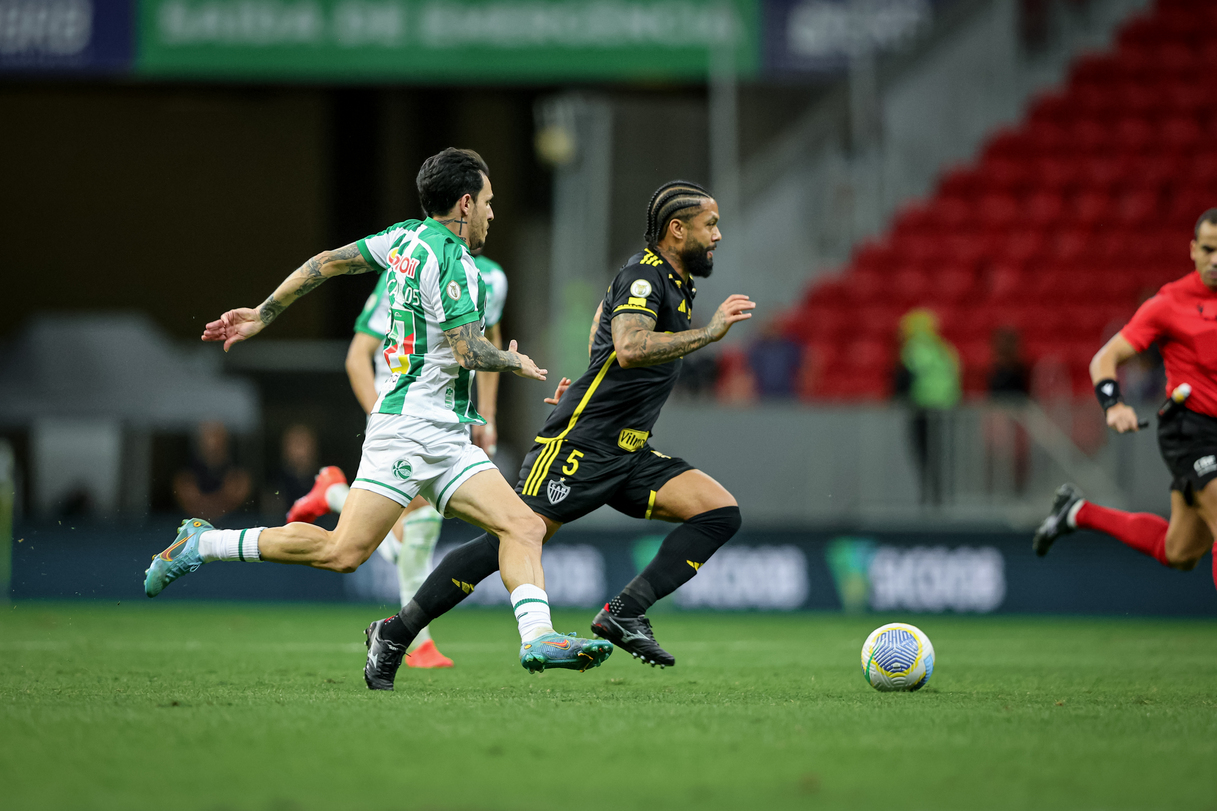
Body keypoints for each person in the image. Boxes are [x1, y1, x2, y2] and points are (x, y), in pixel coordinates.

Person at [143, 148, 612, 685]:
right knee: (344, 552)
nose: (490, 213)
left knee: (523, 524)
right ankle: (202, 542)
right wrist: (514, 361)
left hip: (446, 435)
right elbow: (468, 351)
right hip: (409, 432)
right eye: (486, 202)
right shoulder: (453, 260)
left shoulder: (402, 238)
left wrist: (264, 312)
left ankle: (538, 638)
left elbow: (325, 263)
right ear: (464, 203)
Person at [363, 180, 754, 690]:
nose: (718, 235)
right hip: (581, 444)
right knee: (507, 538)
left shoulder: (680, 282)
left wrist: (593, 375)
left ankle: (625, 611)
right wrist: (709, 333)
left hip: (629, 450)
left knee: (719, 511)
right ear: (677, 231)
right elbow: (631, 346)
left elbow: (604, 327)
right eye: (710, 226)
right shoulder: (644, 276)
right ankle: (395, 633)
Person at [284, 250, 509, 669]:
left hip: (444, 422)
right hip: (401, 421)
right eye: (484, 202)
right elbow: (357, 356)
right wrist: (385, 421)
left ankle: (333, 493)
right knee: (410, 528)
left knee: (408, 532)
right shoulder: (406, 269)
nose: (489, 212)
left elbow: (486, 347)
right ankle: (417, 642)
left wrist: (488, 417)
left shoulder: (492, 279)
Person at [1033, 209, 1217, 594]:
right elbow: (1105, 359)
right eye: (1208, 249)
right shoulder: (1169, 304)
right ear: (1193, 250)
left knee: (1180, 552)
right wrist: (1113, 404)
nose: (1215, 260)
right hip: (1193, 430)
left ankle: (1078, 513)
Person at [893, 308, 961, 504]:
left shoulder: (914, 348)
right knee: (939, 454)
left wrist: (898, 395)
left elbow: (905, 377)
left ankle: (929, 496)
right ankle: (939, 496)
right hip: (945, 409)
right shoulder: (945, 349)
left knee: (922, 454)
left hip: (922, 408)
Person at [173, 421, 251, 522]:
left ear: (225, 441)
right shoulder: (186, 476)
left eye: (217, 437)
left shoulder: (237, 475)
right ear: (199, 442)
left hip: (232, 524)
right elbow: (189, 502)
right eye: (209, 438)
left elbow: (235, 499)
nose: (213, 443)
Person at [264, 424, 320, 518]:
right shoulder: (274, 481)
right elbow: (271, 516)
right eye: (295, 443)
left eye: (302, 443)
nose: (298, 450)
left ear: (313, 447)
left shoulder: (324, 477)